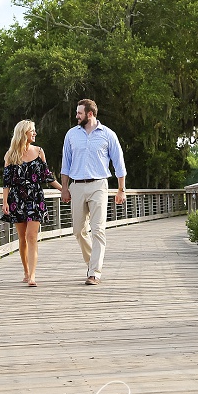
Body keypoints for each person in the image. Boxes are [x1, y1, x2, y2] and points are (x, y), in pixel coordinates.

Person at [60, 99, 127, 285]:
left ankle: (94, 273)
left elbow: (119, 164)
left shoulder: (108, 135)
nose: (76, 116)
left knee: (98, 229)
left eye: (79, 113)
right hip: (77, 186)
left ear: (90, 114)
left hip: (99, 185)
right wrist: (65, 188)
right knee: (78, 231)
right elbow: (66, 164)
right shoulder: (71, 135)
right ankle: (92, 263)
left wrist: (121, 190)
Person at [1, 120, 63, 287]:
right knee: (22, 238)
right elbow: (6, 181)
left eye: (35, 131)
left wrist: (63, 189)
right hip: (17, 199)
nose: (35, 133)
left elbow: (47, 176)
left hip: (35, 198)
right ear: (23, 133)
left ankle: (33, 276)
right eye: (32, 131)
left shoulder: (39, 151)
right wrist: (5, 201)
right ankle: (26, 271)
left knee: (32, 236)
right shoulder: (11, 154)